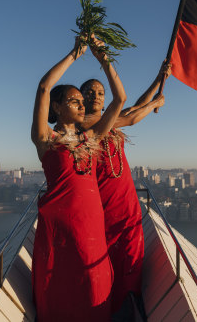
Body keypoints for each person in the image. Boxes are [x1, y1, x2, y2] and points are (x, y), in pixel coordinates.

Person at [31, 35, 127, 321]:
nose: (82, 104)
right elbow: (44, 87)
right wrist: (75, 54)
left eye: (81, 100)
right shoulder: (46, 139)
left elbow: (120, 99)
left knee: (94, 290)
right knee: (61, 294)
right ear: (57, 107)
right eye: (74, 100)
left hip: (92, 229)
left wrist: (103, 59)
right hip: (60, 234)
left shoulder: (91, 138)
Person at [80, 62, 170, 318]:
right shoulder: (84, 125)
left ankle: (128, 303)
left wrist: (158, 79)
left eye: (100, 92)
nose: (96, 95)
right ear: (81, 98)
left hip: (125, 197)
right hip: (102, 200)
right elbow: (132, 117)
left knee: (131, 253)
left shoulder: (109, 119)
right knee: (104, 256)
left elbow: (132, 109)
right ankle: (108, 308)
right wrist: (155, 104)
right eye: (90, 92)